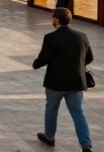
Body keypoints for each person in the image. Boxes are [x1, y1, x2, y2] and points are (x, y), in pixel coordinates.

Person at [33, 8, 94, 151]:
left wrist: (35, 64)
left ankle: (49, 137)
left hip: (55, 83)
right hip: (76, 82)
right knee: (78, 113)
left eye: (52, 18)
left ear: (56, 20)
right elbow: (89, 58)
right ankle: (86, 146)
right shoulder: (82, 36)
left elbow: (43, 59)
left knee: (51, 110)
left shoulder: (50, 37)